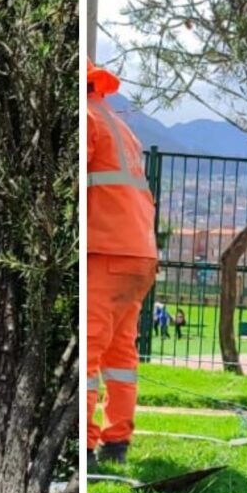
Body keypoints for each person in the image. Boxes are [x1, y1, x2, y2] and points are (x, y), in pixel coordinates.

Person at [86, 65, 160, 471]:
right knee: (120, 355)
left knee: (89, 352)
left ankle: (84, 448)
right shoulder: (117, 123)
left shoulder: (87, 118)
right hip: (138, 252)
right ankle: (116, 442)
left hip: (107, 249)